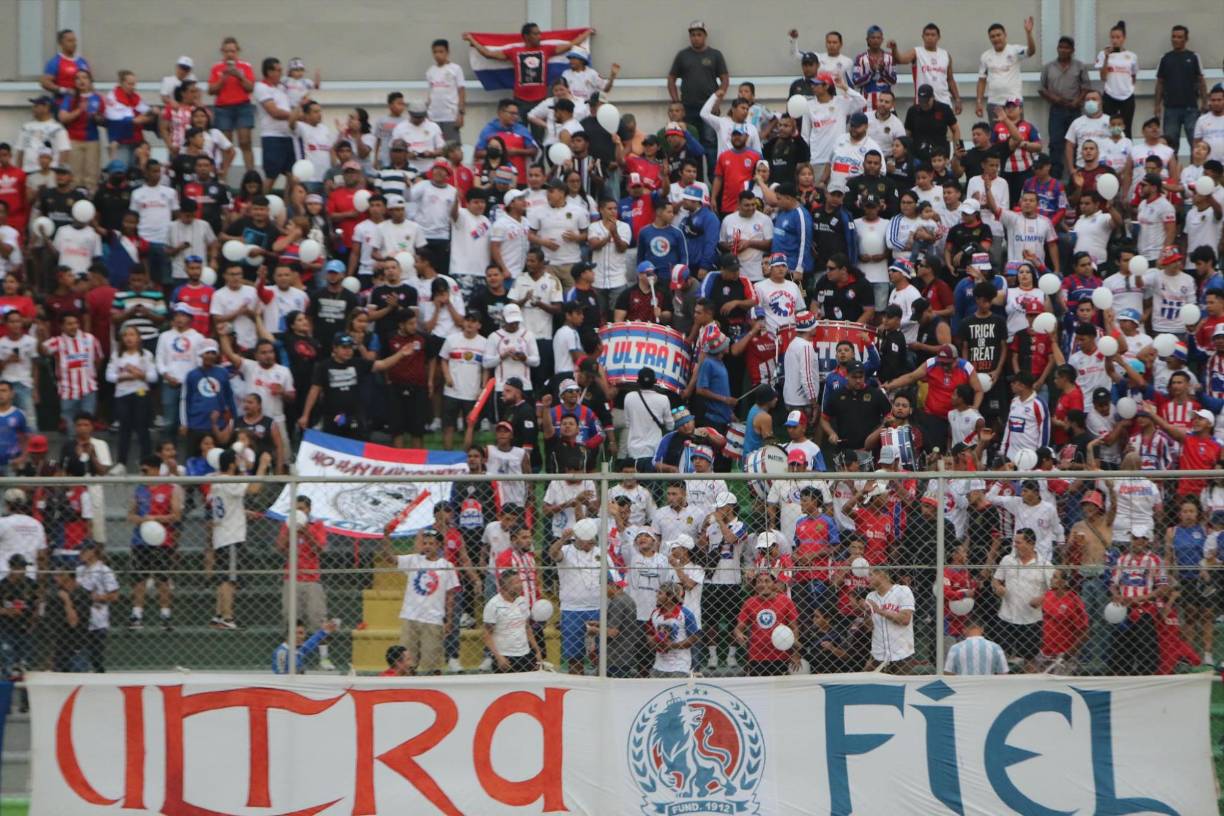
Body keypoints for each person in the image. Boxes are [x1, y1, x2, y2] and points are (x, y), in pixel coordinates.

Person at [385, 525, 459, 675]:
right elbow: (390, 558)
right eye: (425, 543)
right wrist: (386, 538)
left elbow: (450, 595)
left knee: (433, 663)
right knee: (407, 661)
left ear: (439, 545)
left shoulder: (446, 566)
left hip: (433, 618)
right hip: (410, 616)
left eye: (431, 543)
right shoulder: (414, 560)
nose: (427, 546)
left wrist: (449, 619)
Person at [209, 449, 270, 630]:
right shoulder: (228, 480)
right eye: (235, 461)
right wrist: (263, 465)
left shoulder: (217, 482)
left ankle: (219, 615)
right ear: (231, 465)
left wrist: (243, 512)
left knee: (223, 579)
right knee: (230, 579)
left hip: (221, 536)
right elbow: (254, 488)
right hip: (231, 537)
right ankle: (227, 617)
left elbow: (228, 506)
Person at [992, 527, 1052, 673]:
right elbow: (996, 580)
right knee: (1002, 657)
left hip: (1031, 620)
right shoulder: (1007, 560)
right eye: (1015, 542)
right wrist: (998, 588)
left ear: (1031, 543)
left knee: (1030, 660)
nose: (1015, 545)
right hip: (1007, 617)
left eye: (1018, 542)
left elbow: (1054, 591)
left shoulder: (1045, 565)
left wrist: (1042, 598)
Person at [1039, 36, 1090, 180]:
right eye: (1061, 47)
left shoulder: (1080, 66)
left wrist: (1077, 101)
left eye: (1067, 48)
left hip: (1075, 110)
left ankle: (1076, 178)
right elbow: (1042, 89)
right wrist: (1056, 99)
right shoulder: (1049, 67)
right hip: (1056, 110)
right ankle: (1055, 178)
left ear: (1072, 50)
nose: (1063, 50)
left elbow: (1086, 87)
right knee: (1055, 144)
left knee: (1075, 143)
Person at [975, 18, 1036, 119]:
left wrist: (1029, 33)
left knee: (1017, 133)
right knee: (997, 133)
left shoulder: (1015, 51)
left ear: (1005, 35)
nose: (996, 38)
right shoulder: (985, 56)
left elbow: (1031, 51)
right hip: (994, 103)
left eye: (999, 35)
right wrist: (978, 102)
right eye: (992, 37)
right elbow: (982, 80)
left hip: (1014, 102)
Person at [483, 569, 542, 673]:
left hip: (525, 655)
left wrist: (537, 650)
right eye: (517, 582)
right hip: (505, 656)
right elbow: (487, 636)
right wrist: (499, 657)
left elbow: (527, 628)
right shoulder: (494, 605)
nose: (520, 585)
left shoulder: (522, 602)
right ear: (505, 586)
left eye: (521, 582)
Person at [74, 542, 118, 673]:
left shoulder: (104, 570)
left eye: (83, 551)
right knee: (79, 658)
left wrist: (97, 598)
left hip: (98, 620)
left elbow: (114, 596)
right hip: (80, 619)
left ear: (92, 551)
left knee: (96, 659)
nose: (80, 554)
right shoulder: (79, 570)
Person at [862, 565, 915, 672]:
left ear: (882, 574)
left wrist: (879, 610)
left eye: (871, 575)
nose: (868, 579)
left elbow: (905, 620)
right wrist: (867, 614)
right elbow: (869, 628)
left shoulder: (902, 590)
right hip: (878, 656)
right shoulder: (870, 596)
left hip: (902, 655)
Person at [648, 582, 703, 677]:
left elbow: (694, 638)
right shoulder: (654, 613)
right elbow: (649, 633)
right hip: (658, 665)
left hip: (680, 666)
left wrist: (673, 645)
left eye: (660, 593)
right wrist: (653, 642)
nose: (657, 596)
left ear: (670, 597)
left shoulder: (686, 614)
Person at [272, 620, 339, 674]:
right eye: (294, 633)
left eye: (301, 633)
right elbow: (280, 677)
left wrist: (325, 630)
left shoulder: (298, 649)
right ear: (287, 635)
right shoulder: (281, 653)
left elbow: (312, 642)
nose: (298, 636)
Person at [944, 619, 1008, 674]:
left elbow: (949, 672)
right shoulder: (995, 647)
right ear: (982, 629)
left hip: (963, 687)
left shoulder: (955, 648)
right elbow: (1003, 673)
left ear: (964, 630)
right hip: (988, 686)